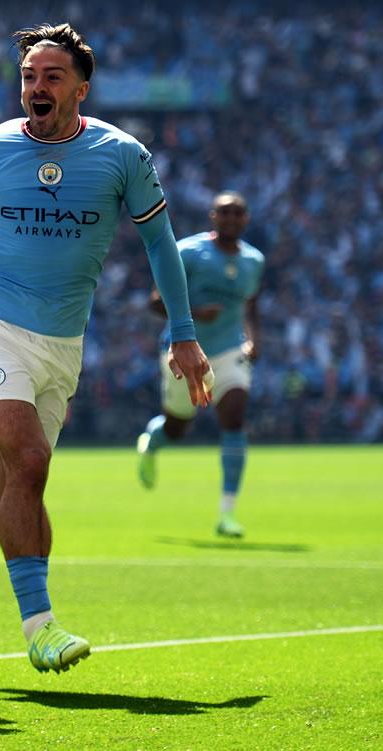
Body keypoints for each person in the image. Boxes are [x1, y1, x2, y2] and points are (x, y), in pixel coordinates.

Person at [0, 23, 212, 674]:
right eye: (28, 76)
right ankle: (40, 627)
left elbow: (160, 243)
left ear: (80, 89)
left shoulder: (122, 155)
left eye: (51, 76)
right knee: (32, 460)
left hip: (63, 343)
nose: (36, 86)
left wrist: (183, 332)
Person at [136, 191, 264, 538]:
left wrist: (254, 339)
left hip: (229, 350)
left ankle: (227, 513)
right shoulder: (188, 252)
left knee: (234, 417)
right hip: (184, 350)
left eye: (237, 213)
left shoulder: (254, 260)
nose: (231, 219)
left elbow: (251, 304)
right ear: (213, 217)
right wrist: (196, 314)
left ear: (246, 219)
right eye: (225, 212)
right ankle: (152, 443)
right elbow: (155, 302)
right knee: (178, 427)